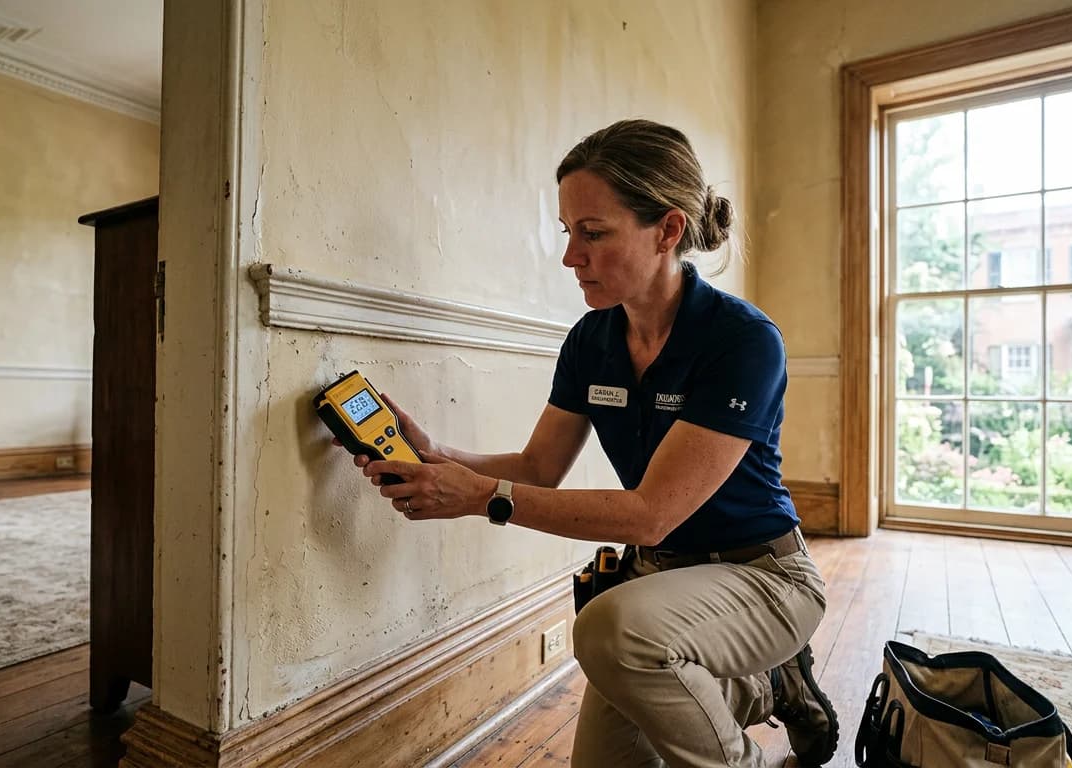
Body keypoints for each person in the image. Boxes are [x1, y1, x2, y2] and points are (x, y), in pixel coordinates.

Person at [345, 119, 837, 768]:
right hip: (658, 583)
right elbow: (537, 466)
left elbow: (652, 514)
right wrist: (439, 456)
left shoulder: (743, 341)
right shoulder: (590, 341)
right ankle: (767, 685)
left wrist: (483, 497)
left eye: (593, 233)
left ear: (667, 230)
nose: (570, 257)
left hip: (763, 577)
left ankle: (761, 708)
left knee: (608, 629)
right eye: (568, 232)